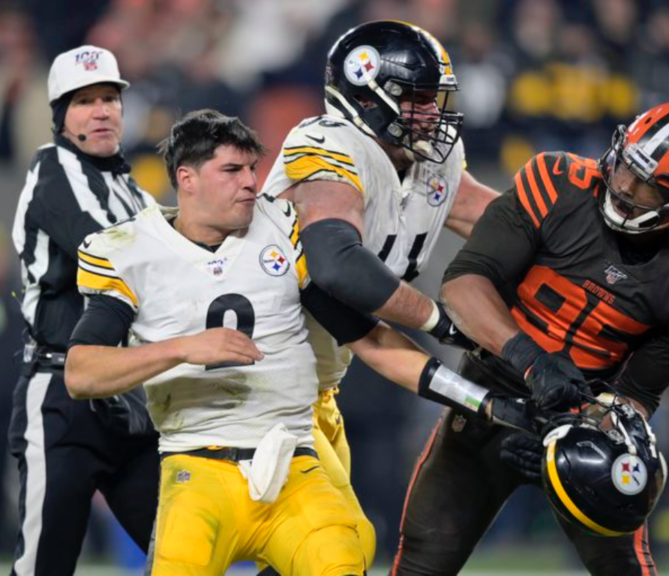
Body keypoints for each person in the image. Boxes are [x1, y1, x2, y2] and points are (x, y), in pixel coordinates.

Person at [63, 109, 521, 576]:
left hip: (292, 460)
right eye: (231, 170)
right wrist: (181, 348)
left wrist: (481, 401)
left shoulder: (283, 227)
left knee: (347, 554)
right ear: (187, 178)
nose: (250, 183)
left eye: (251, 169)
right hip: (198, 468)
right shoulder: (130, 251)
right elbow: (80, 373)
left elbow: (373, 342)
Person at [391, 100, 669, 576]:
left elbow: (636, 395)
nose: (625, 186)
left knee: (624, 567)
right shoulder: (556, 181)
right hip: (490, 391)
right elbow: (463, 286)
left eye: (648, 184)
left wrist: (571, 437)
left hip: (588, 416)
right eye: (627, 165)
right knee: (424, 560)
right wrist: (533, 360)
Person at [260, 20, 500, 564]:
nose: (432, 113)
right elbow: (337, 265)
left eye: (434, 98)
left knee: (317, 555)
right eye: (417, 99)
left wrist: (583, 229)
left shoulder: (428, 160)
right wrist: (441, 321)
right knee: (337, 550)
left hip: (318, 386)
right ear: (367, 97)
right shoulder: (329, 144)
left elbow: (502, 223)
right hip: (257, 387)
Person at [9, 45, 157, 576]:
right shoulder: (54, 168)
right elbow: (106, 251)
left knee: (184, 554)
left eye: (109, 98)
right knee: (44, 567)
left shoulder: (130, 186)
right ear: (60, 116)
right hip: (62, 399)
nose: (101, 111)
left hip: (129, 395)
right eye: (84, 101)